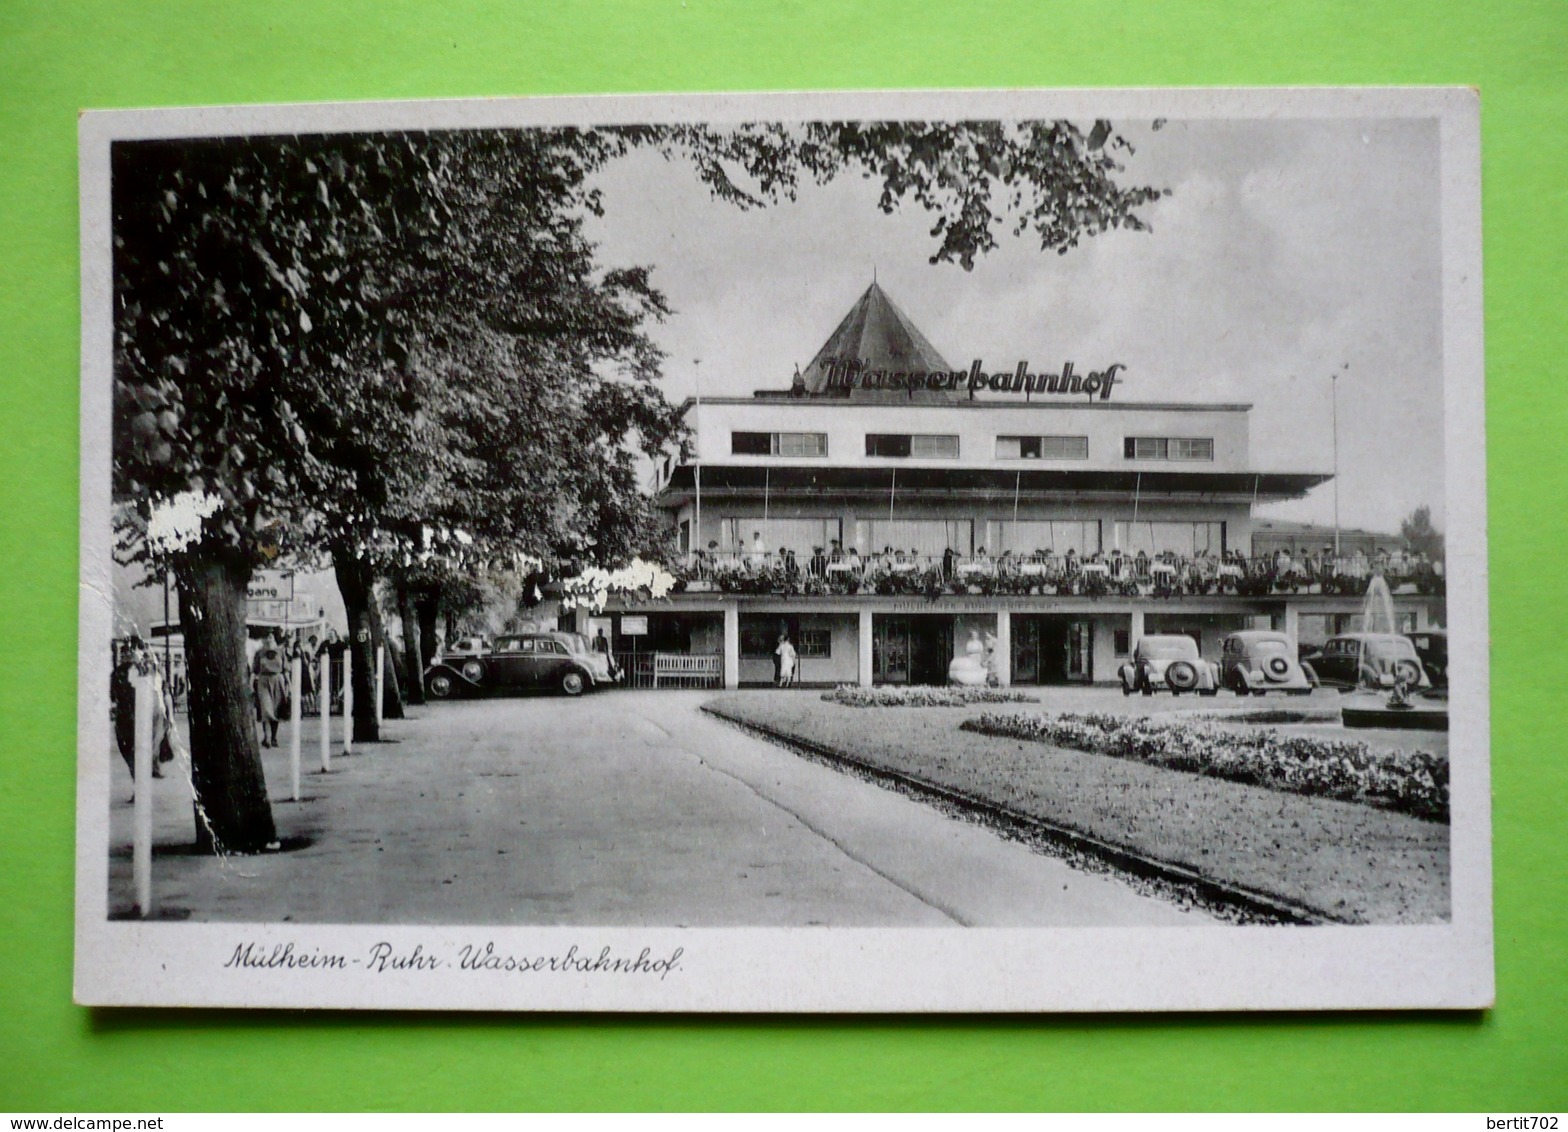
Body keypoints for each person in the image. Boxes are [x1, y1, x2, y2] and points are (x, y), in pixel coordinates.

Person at [252, 630, 290, 749]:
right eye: (267, 637)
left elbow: (286, 669)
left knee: (276, 710)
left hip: (278, 681)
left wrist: (290, 684)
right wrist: (250, 684)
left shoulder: (281, 652)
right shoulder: (259, 653)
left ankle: (273, 737)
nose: (269, 639)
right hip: (263, 681)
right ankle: (267, 737)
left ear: (275, 639)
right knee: (266, 709)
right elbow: (255, 670)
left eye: (271, 637)